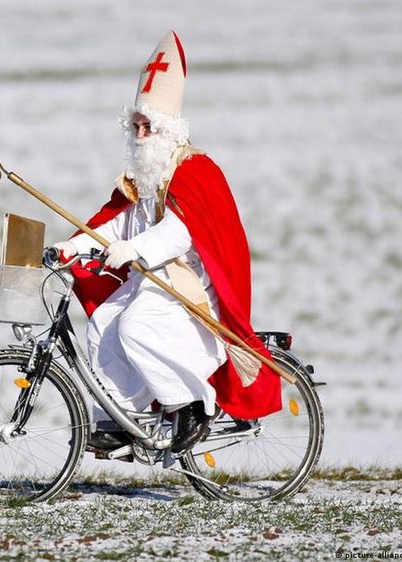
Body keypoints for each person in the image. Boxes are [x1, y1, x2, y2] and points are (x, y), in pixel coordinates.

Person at [50, 31, 282, 454]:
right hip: (155, 281)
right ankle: (123, 419)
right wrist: (77, 246)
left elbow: (179, 232)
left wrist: (136, 251)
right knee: (103, 324)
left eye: (148, 126)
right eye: (135, 126)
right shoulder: (145, 177)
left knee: (139, 326)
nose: (140, 135)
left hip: (192, 285)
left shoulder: (194, 171)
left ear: (168, 129)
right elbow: (119, 225)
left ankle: (191, 406)